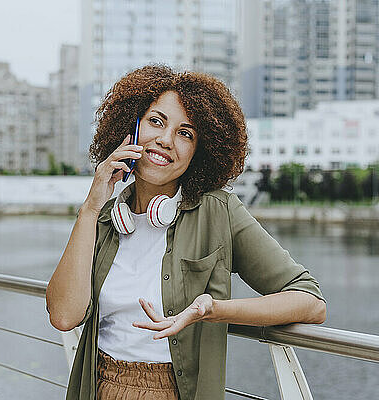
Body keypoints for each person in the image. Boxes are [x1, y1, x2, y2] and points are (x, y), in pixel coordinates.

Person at [45, 65, 326, 400]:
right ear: (130, 128)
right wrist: (91, 208)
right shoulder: (105, 219)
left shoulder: (218, 212)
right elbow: (63, 316)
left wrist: (213, 309)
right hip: (97, 387)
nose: (165, 140)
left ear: (199, 152)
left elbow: (310, 302)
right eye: (156, 121)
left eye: (185, 133)